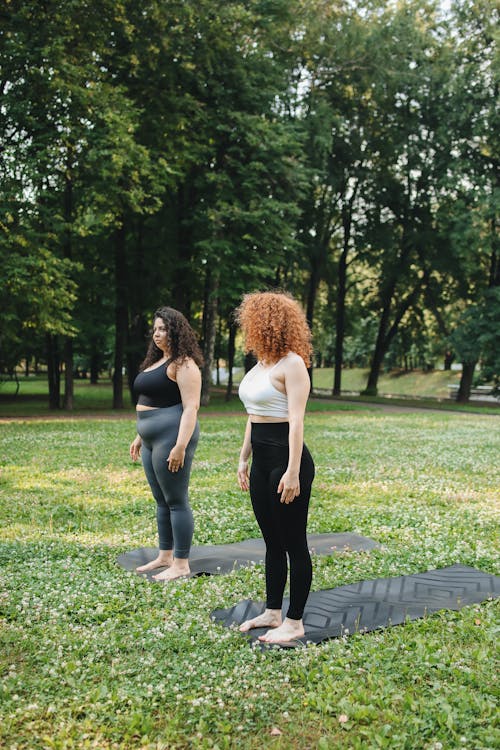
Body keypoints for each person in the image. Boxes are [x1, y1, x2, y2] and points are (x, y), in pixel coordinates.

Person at [236, 291, 315, 643]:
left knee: (293, 542)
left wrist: (294, 471)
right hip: (262, 461)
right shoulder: (260, 366)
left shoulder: (292, 364)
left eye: (252, 320)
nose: (247, 327)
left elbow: (296, 421)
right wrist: (243, 457)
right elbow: (253, 417)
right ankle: (272, 611)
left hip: (287, 461)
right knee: (271, 542)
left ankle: (295, 621)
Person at [129, 306, 203, 581]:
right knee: (161, 500)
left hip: (172, 437)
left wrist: (180, 446)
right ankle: (165, 555)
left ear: (176, 330)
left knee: (176, 500)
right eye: (155, 329)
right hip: (150, 438)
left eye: (163, 328)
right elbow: (150, 399)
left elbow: (191, 408)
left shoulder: (184, 364)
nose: (157, 334)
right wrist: (140, 435)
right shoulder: (158, 361)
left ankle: (181, 563)